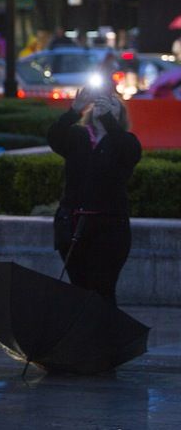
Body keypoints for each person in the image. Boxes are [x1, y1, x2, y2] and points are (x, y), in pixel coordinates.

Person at [47, 86, 142, 305]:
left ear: (120, 115)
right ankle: (82, 336)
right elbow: (55, 137)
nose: (105, 106)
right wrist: (74, 110)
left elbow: (127, 152)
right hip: (73, 225)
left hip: (109, 229)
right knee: (79, 290)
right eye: (101, 103)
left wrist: (108, 119)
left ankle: (106, 337)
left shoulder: (125, 142)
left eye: (113, 105)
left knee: (102, 290)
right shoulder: (78, 137)